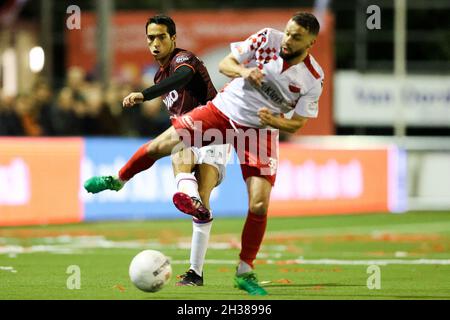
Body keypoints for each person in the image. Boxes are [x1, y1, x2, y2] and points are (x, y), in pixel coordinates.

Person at [87, 12, 324, 295]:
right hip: (224, 112)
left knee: (259, 204)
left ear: (310, 43)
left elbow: (297, 123)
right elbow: (227, 63)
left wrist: (277, 122)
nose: (287, 39)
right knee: (162, 147)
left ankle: (244, 269)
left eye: (296, 36)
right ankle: (122, 180)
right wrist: (245, 71)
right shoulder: (267, 39)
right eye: (287, 32)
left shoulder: (312, 78)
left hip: (259, 130)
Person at [84, 15, 231, 286]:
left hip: (215, 134)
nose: (155, 43)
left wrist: (145, 94)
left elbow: (182, 78)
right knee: (186, 168)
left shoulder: (183, 60)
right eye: (150, 37)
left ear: (173, 39)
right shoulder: (159, 74)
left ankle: (122, 181)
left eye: (161, 37)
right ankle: (195, 273)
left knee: (188, 171)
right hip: (189, 134)